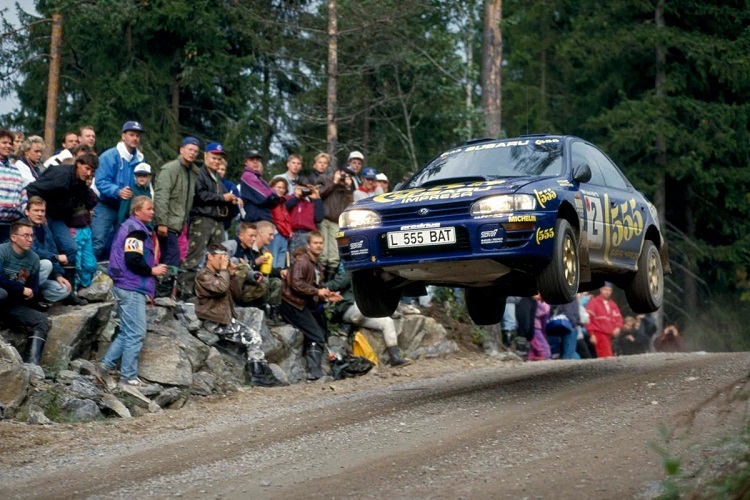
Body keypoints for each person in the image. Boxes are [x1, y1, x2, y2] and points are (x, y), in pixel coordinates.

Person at [94, 196, 167, 389]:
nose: (152, 212)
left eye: (153, 209)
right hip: (131, 285)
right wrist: (153, 270)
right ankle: (128, 376)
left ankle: (103, 367)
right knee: (136, 332)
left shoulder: (132, 227)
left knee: (127, 331)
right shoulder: (135, 230)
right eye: (148, 208)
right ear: (137, 211)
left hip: (125, 284)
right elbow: (133, 259)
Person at [194, 244, 284, 387]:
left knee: (254, 337)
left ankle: (262, 372)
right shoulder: (203, 275)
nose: (222, 261)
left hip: (224, 319)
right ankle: (258, 375)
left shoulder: (220, 275)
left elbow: (237, 295)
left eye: (225, 258)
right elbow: (220, 288)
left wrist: (233, 275)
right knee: (253, 338)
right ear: (209, 257)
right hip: (214, 321)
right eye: (220, 258)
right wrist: (224, 270)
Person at [179, 142, 238, 299]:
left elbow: (223, 195)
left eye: (219, 159)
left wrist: (231, 199)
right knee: (194, 256)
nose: (216, 161)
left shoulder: (217, 177)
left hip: (217, 220)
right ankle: (184, 293)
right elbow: (199, 195)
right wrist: (222, 198)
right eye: (214, 157)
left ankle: (212, 290)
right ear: (205, 156)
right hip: (201, 218)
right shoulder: (199, 173)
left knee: (220, 255)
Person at [280, 231, 341, 380]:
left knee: (317, 333)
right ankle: (314, 372)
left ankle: (314, 371)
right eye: (316, 243)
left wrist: (326, 297)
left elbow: (313, 290)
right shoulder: (302, 262)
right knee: (316, 335)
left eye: (321, 243)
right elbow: (296, 283)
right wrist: (317, 291)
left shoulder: (317, 265)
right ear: (308, 245)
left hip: (302, 305)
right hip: (292, 304)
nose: (319, 246)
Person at [325, 262, 412, 366]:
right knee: (361, 307)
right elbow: (332, 285)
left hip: (364, 313)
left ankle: (395, 357)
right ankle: (347, 326)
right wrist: (321, 291)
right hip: (349, 309)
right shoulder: (350, 273)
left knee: (387, 322)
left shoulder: (376, 277)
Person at [91, 120, 146, 261]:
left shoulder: (140, 159)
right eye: (131, 134)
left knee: (122, 244)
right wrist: (117, 191)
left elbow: (144, 183)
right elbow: (100, 181)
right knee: (98, 242)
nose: (135, 138)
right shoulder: (109, 156)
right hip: (106, 205)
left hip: (128, 208)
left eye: (137, 136)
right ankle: (84, 278)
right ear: (123, 136)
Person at [0, 221, 48, 364]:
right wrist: (21, 289)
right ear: (14, 237)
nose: (30, 239)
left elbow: (33, 289)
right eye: (25, 236)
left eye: (31, 236)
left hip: (12, 305)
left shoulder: (33, 259)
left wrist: (31, 294)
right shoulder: (2, 251)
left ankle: (32, 365)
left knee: (41, 320)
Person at [153, 137, 201, 279]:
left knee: (169, 258)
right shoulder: (170, 169)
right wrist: (161, 222)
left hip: (178, 225)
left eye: (196, 151)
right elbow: (161, 196)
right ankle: (164, 294)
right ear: (181, 150)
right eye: (190, 149)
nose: (192, 153)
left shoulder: (193, 173)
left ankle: (162, 291)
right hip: (167, 223)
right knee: (172, 258)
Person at [25, 196, 85, 306]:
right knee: (47, 264)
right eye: (36, 210)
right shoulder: (23, 227)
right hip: (24, 272)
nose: (39, 214)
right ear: (27, 212)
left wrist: (58, 275)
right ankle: (28, 299)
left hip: (40, 275)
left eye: (42, 211)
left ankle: (37, 296)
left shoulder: (45, 228)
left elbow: (53, 249)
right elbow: (31, 250)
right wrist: (56, 257)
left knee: (64, 289)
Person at [316, 161, 353, 281]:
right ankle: (319, 282)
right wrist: (334, 182)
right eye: (344, 173)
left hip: (336, 222)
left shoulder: (346, 188)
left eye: (348, 175)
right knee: (322, 254)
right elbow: (319, 194)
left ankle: (328, 284)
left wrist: (348, 188)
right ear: (338, 172)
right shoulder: (326, 179)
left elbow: (349, 205)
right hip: (325, 219)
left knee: (334, 256)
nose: (345, 176)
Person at [239, 149, 282, 224]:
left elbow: (274, 199)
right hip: (256, 218)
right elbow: (265, 196)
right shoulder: (247, 175)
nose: (255, 162)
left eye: (257, 159)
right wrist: (273, 195)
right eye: (252, 159)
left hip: (262, 216)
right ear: (246, 162)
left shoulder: (259, 178)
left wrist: (273, 196)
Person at [0, 129, 28, 242]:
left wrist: (23, 209)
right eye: (4, 143)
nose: (8, 146)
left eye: (10, 143)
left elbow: (22, 192)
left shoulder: (15, 168)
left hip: (11, 224)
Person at [585, 283, 623, 358]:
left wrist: (618, 327)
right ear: (601, 290)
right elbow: (588, 319)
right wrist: (591, 334)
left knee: (606, 356)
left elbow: (619, 318)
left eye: (609, 290)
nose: (607, 292)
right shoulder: (594, 302)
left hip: (610, 336)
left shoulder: (613, 304)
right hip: (599, 333)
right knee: (607, 356)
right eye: (605, 289)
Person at [288, 177, 323, 255]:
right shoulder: (290, 198)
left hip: (308, 234)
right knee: (294, 259)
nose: (305, 190)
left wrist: (317, 198)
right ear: (297, 186)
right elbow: (286, 207)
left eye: (308, 188)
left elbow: (319, 218)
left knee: (308, 257)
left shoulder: (311, 202)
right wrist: (297, 196)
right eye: (303, 187)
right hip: (293, 233)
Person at [268, 177, 292, 268]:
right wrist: (275, 228)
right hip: (275, 233)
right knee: (272, 260)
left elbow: (286, 220)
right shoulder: (270, 200)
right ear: (272, 187)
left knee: (281, 263)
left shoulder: (283, 203)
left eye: (283, 188)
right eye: (279, 187)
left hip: (285, 235)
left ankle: (278, 280)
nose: (281, 190)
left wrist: (289, 232)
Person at [529, 294, 551, 361]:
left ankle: (532, 358)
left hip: (535, 326)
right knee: (545, 352)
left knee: (535, 348)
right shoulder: (543, 305)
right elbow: (544, 312)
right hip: (534, 326)